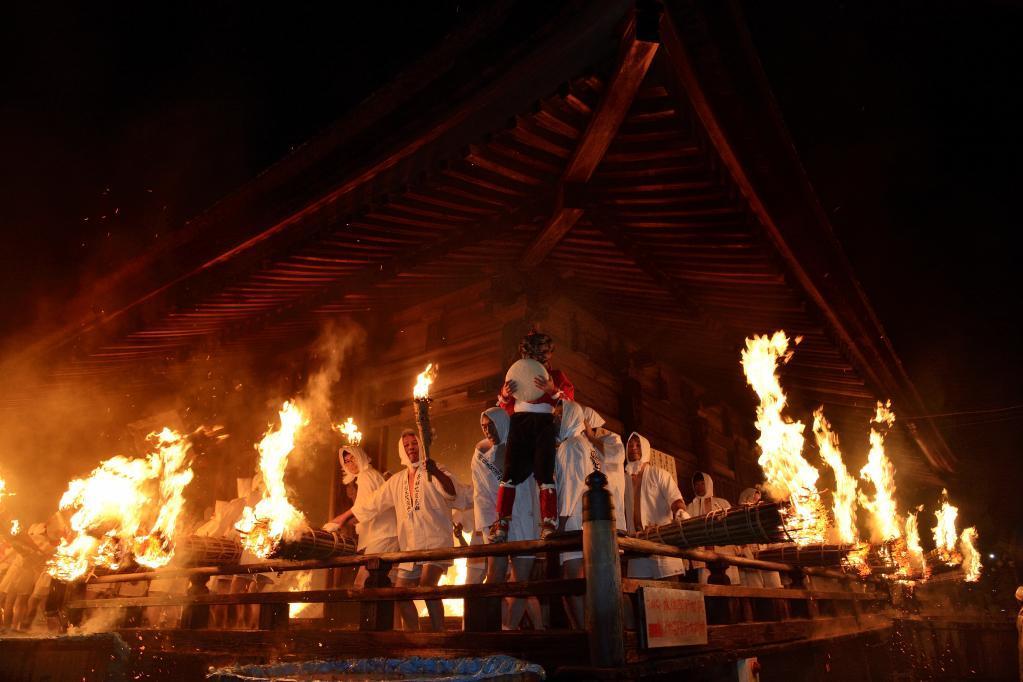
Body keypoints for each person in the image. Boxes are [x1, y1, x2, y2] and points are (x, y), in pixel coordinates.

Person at [332, 430, 469, 631]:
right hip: (410, 546)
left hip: (436, 542)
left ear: (421, 445)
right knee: (400, 595)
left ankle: (441, 636)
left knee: (427, 588)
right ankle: (415, 639)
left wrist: (436, 472)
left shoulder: (437, 469)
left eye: (414, 443)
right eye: (406, 445)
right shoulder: (397, 480)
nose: (411, 447)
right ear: (401, 450)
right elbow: (373, 503)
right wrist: (342, 518)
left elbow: (453, 494)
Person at [492, 331, 575, 542]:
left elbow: (568, 401)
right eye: (538, 351)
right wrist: (505, 393)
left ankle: (549, 522)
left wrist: (552, 389)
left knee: (544, 471)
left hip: (544, 424)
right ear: (527, 353)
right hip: (519, 423)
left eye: (546, 351)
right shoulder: (517, 373)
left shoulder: (555, 375)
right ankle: (501, 522)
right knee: (509, 472)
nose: (543, 356)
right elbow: (503, 404)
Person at [472, 406, 542, 629]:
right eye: (483, 427)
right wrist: (490, 526)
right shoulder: (480, 458)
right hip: (497, 522)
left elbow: (535, 482)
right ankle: (492, 628)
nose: (487, 431)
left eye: (490, 425)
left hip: (524, 517)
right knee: (495, 574)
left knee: (521, 581)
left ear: (501, 422)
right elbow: (481, 495)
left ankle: (509, 630)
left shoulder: (521, 447)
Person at [324, 443, 399, 587]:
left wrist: (338, 521)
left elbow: (364, 509)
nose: (350, 463)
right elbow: (362, 511)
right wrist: (339, 523)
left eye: (353, 458)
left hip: (383, 535)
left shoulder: (366, 476)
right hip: (385, 535)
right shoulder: (370, 475)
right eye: (346, 461)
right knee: (388, 586)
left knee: (361, 583)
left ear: (361, 457)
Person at [623, 433, 689, 581]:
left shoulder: (660, 474)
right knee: (641, 593)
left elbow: (676, 499)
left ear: (646, 448)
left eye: (638, 445)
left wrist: (680, 512)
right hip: (636, 543)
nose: (633, 448)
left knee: (670, 595)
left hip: (661, 541)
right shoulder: (623, 480)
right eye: (630, 445)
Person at [686, 471, 739, 585]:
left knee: (731, 586)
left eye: (702, 483)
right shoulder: (690, 507)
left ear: (709, 483)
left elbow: (731, 524)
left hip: (724, 550)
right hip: (703, 553)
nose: (699, 487)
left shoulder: (722, 503)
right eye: (696, 484)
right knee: (707, 586)